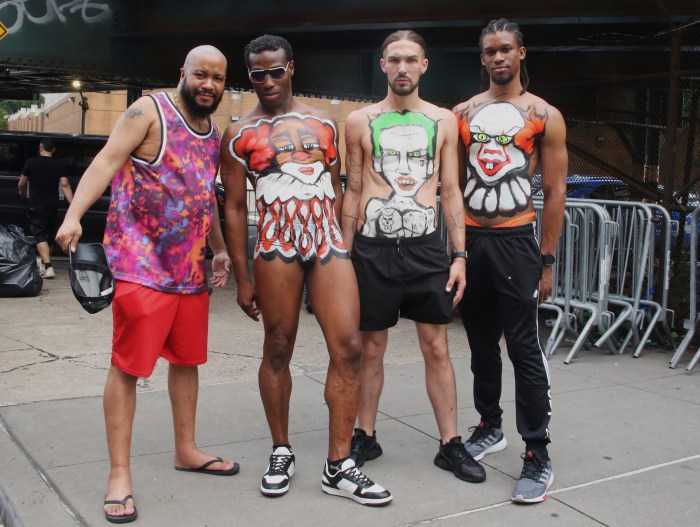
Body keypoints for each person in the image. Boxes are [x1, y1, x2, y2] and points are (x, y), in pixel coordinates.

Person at [55, 45, 237, 524]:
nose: (208, 85)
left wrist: (218, 249)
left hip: (190, 273)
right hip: (141, 267)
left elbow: (204, 196)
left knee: (187, 362)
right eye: (201, 74)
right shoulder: (148, 110)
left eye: (217, 79)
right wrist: (74, 216)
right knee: (128, 368)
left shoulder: (212, 132)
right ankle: (119, 475)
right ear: (183, 73)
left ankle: (187, 449)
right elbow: (106, 161)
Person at [220, 34, 392, 506]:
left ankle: (339, 465)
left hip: (326, 242)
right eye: (258, 74)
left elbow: (337, 188)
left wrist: (340, 239)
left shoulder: (323, 121)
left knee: (350, 348)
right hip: (275, 244)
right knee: (277, 347)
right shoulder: (236, 134)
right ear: (249, 76)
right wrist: (243, 277)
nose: (269, 81)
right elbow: (234, 207)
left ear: (291, 67)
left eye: (276, 70)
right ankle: (281, 449)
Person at [341, 29, 486, 485]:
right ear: (382, 65)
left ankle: (450, 443)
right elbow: (354, 190)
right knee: (371, 348)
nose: (402, 67)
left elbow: (452, 192)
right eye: (394, 60)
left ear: (424, 66)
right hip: (372, 248)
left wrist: (458, 254)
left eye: (411, 60)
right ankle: (365, 434)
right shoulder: (358, 121)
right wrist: (342, 257)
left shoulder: (443, 121)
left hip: (426, 249)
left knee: (437, 346)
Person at [452, 18, 567, 503]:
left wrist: (547, 260)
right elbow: (452, 186)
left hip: (517, 240)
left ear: (521, 54)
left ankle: (537, 453)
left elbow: (556, 190)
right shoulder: (461, 113)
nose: (498, 57)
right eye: (489, 51)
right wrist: (454, 251)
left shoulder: (544, 115)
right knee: (479, 343)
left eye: (506, 49)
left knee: (523, 347)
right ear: (482, 59)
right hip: (473, 243)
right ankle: (490, 426)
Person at [18, 137, 73, 278]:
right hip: (53, 205)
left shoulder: (31, 163)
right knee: (49, 236)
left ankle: (48, 266)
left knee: (40, 235)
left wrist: (22, 193)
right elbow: (65, 184)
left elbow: (22, 183)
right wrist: (73, 204)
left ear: (40, 147)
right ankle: (44, 262)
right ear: (53, 150)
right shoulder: (59, 165)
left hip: (36, 205)